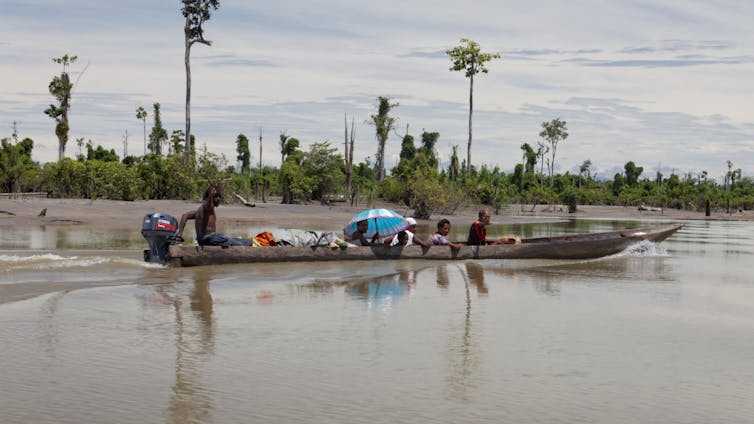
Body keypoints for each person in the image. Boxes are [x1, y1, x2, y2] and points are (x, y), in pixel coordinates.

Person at [176, 185, 252, 246]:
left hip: (202, 240)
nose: (218, 199)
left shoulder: (199, 211)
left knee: (236, 239)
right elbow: (208, 204)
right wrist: (211, 197)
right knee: (239, 244)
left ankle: (249, 242)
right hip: (209, 239)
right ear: (209, 197)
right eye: (216, 196)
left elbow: (185, 215)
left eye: (219, 196)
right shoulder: (208, 207)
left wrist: (179, 234)